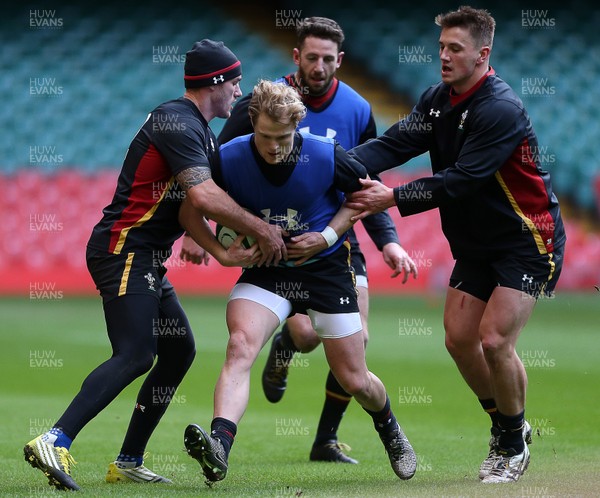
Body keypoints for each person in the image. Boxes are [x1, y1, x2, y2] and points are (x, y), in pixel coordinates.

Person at [23, 39, 286, 491]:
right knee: (136, 353)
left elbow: (188, 209)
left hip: (144, 255)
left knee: (178, 349)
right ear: (215, 82)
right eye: (235, 81)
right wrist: (262, 231)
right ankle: (55, 438)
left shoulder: (198, 129)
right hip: (124, 248)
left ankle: (127, 461)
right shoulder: (176, 121)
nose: (238, 91)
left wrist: (221, 251)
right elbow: (202, 198)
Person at [345, 6, 566, 484]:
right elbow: (397, 143)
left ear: (483, 54)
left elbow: (463, 180)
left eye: (455, 49)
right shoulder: (437, 99)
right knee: (459, 339)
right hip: (478, 244)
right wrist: (332, 163)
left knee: (494, 339)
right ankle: (513, 426)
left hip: (529, 239)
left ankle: (509, 446)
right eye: (441, 46)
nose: (443, 56)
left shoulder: (499, 109)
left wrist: (392, 196)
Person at [179, 80, 417, 484]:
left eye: (284, 138)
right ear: (251, 122)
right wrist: (220, 252)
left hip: (325, 269)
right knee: (239, 345)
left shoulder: (327, 155)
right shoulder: (227, 158)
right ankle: (219, 445)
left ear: (298, 127)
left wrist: (325, 236)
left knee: (354, 378)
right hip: (268, 269)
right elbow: (189, 212)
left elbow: (363, 198)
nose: (274, 147)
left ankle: (390, 428)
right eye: (266, 137)